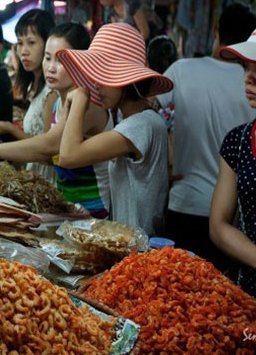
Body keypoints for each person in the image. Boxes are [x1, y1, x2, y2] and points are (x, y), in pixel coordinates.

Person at [0, 23, 112, 217]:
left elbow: (49, 145)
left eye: (62, 60)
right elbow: (50, 157)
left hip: (95, 212)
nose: (51, 68)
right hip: (68, 209)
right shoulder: (56, 104)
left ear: (82, 62)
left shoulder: (87, 102)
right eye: (47, 58)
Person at [156, 4, 256, 269]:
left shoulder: (182, 70)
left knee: (175, 293)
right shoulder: (255, 84)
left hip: (185, 203)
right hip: (233, 218)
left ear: (215, 31)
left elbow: (146, 109)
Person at [57, 23, 173, 235]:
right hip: (130, 244)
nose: (96, 85)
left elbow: (68, 155)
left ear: (127, 79)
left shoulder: (141, 125)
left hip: (140, 251)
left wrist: (81, 97)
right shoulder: (137, 121)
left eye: (104, 75)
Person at [210, 14, 256, 305]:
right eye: (246, 67)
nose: (248, 77)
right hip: (249, 299)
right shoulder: (239, 141)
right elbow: (219, 224)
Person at [0, 9, 56, 182]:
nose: (24, 51)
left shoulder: (51, 93)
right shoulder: (35, 88)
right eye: (20, 43)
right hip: (35, 179)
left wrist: (10, 129)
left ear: (48, 45)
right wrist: (7, 127)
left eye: (31, 42)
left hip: (49, 183)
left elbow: (51, 154)